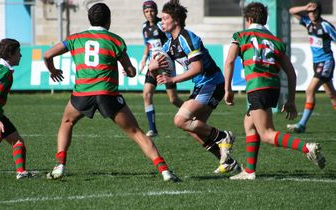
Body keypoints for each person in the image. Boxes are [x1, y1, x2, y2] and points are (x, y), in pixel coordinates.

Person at [43, 3, 178, 182]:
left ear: (89, 19)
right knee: (136, 132)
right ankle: (165, 171)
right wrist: (129, 70)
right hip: (108, 94)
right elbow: (131, 72)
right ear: (109, 20)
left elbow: (47, 55)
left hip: (82, 93)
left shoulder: (75, 38)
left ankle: (60, 165)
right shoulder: (115, 40)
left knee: (67, 122)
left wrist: (53, 71)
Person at [223, 2, 326, 180]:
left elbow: (230, 61)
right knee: (249, 125)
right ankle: (249, 171)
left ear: (248, 19)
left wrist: (228, 89)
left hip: (257, 87)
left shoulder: (241, 36)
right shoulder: (275, 40)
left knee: (267, 134)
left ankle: (307, 148)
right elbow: (291, 73)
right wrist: (291, 100)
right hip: (272, 87)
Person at [149, 0, 239, 173]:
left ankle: (223, 136)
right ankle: (227, 161)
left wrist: (173, 80)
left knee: (180, 120)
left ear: (176, 20)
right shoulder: (169, 44)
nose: (162, 21)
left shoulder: (187, 38)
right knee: (194, 128)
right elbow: (159, 74)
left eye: (165, 18)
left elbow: (198, 68)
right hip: (202, 85)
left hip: (212, 82)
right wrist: (153, 69)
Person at [287, 1, 336, 133]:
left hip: (326, 62)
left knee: (309, 91)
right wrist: (305, 7)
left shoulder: (325, 26)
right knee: (332, 95)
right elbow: (291, 11)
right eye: (309, 12)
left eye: (314, 11)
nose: (311, 14)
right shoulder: (308, 22)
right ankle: (302, 125)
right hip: (317, 63)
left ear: (319, 12)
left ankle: (302, 125)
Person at [0, 38, 32, 180]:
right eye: (18, 52)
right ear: (10, 54)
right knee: (17, 141)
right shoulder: (4, 73)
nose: (20, 55)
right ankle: (21, 172)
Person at [140, 0, 183, 137]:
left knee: (173, 99)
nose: (149, 13)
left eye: (152, 10)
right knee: (146, 94)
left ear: (156, 11)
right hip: (153, 64)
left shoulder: (161, 24)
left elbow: (172, 39)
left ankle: (192, 113)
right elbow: (147, 45)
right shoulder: (144, 27)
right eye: (146, 11)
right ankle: (153, 129)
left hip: (165, 63)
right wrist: (143, 59)